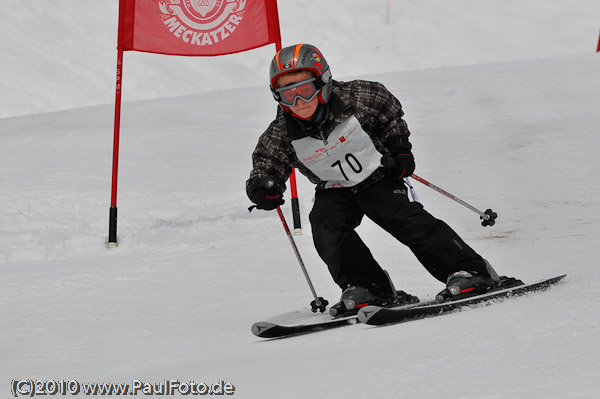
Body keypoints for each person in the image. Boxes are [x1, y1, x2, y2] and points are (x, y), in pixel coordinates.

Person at [246, 44, 521, 316]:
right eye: (286, 94)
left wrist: (399, 147)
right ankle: (368, 286)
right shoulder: (281, 131)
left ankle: (470, 271)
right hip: (334, 188)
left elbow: (388, 109)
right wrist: (262, 186)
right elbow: (266, 161)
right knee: (326, 225)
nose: (298, 101)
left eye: (304, 90)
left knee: (405, 220)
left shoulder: (358, 97)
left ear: (324, 82)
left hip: (377, 176)